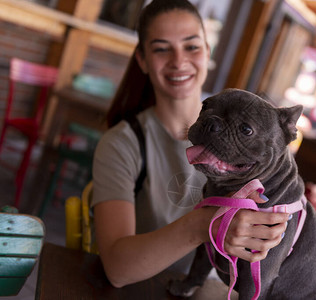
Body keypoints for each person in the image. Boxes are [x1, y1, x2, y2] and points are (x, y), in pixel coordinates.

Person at [92, 0, 290, 289]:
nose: (179, 61)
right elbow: (117, 270)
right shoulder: (122, 144)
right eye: (161, 49)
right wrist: (206, 224)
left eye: (192, 46)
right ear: (143, 60)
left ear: (207, 52)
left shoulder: (253, 147)